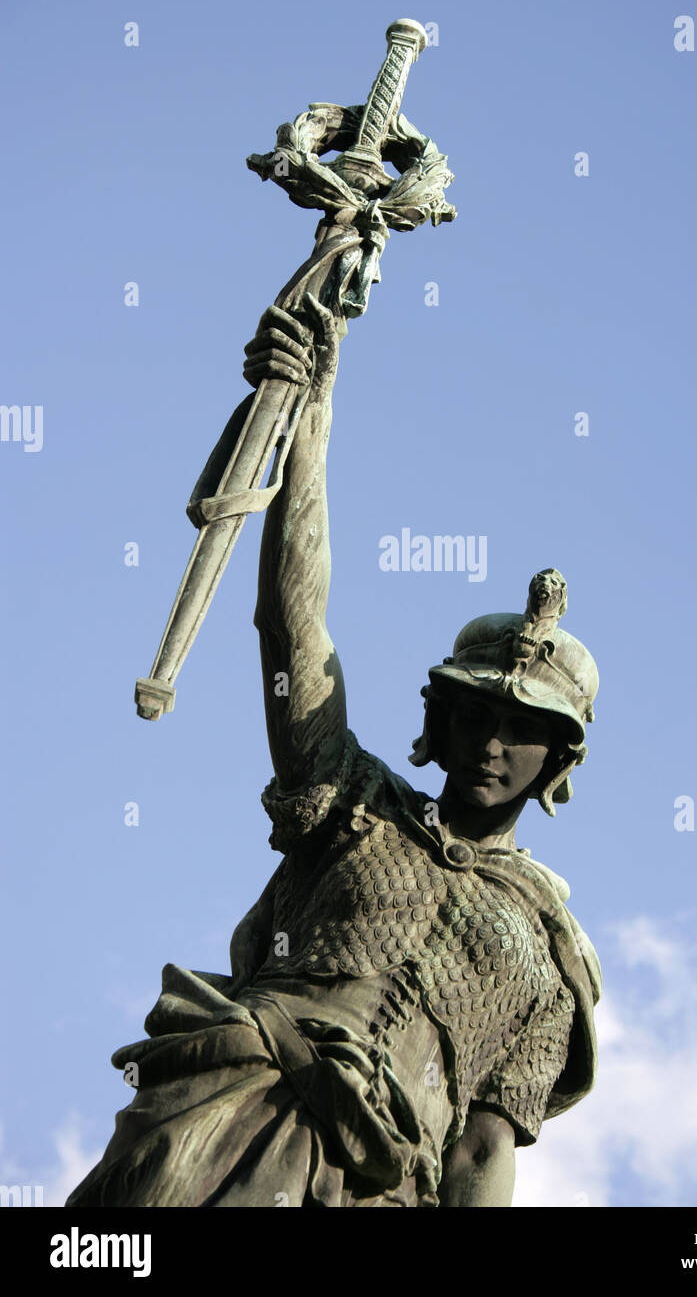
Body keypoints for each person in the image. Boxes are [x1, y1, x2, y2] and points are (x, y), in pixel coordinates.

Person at [67, 299, 602, 1208]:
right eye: (473, 716)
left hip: (380, 1185)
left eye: (523, 731)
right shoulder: (352, 801)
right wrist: (310, 416)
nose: (492, 744)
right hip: (239, 1100)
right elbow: (292, 626)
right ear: (438, 720)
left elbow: (482, 1147)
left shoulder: (551, 958)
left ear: (559, 764)